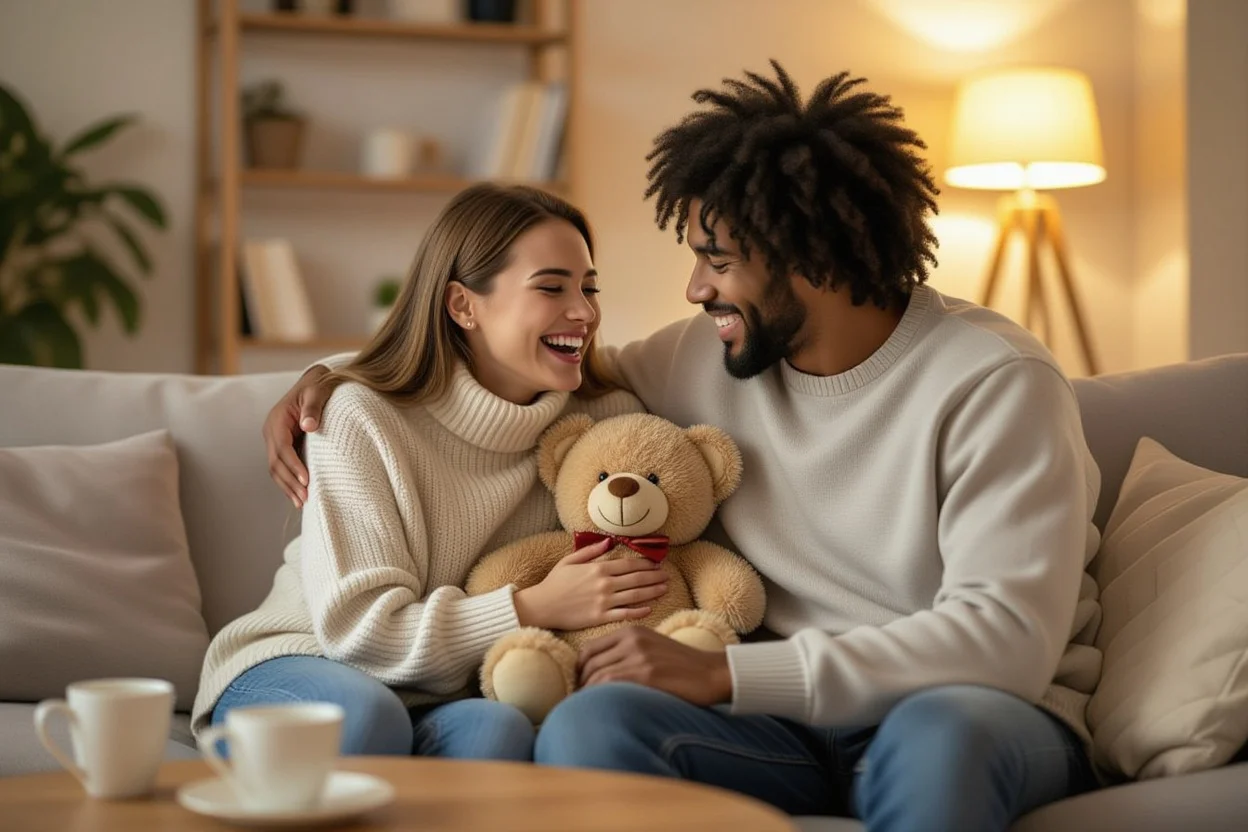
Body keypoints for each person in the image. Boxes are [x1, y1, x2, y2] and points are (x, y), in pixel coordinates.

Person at [263, 64, 1103, 831]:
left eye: (719, 262)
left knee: (938, 736)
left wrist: (729, 677)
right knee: (594, 721)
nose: (696, 288)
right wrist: (339, 377)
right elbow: (523, 365)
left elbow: (1006, 641)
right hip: (787, 727)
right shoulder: (706, 353)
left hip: (968, 709)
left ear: (808, 258)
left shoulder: (996, 380)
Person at [191, 183, 668, 761]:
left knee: (501, 734)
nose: (584, 312)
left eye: (589, 289)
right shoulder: (359, 416)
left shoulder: (603, 424)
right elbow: (358, 633)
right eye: (551, 288)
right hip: (309, 658)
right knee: (368, 720)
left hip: (450, 689)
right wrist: (534, 607)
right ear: (463, 305)